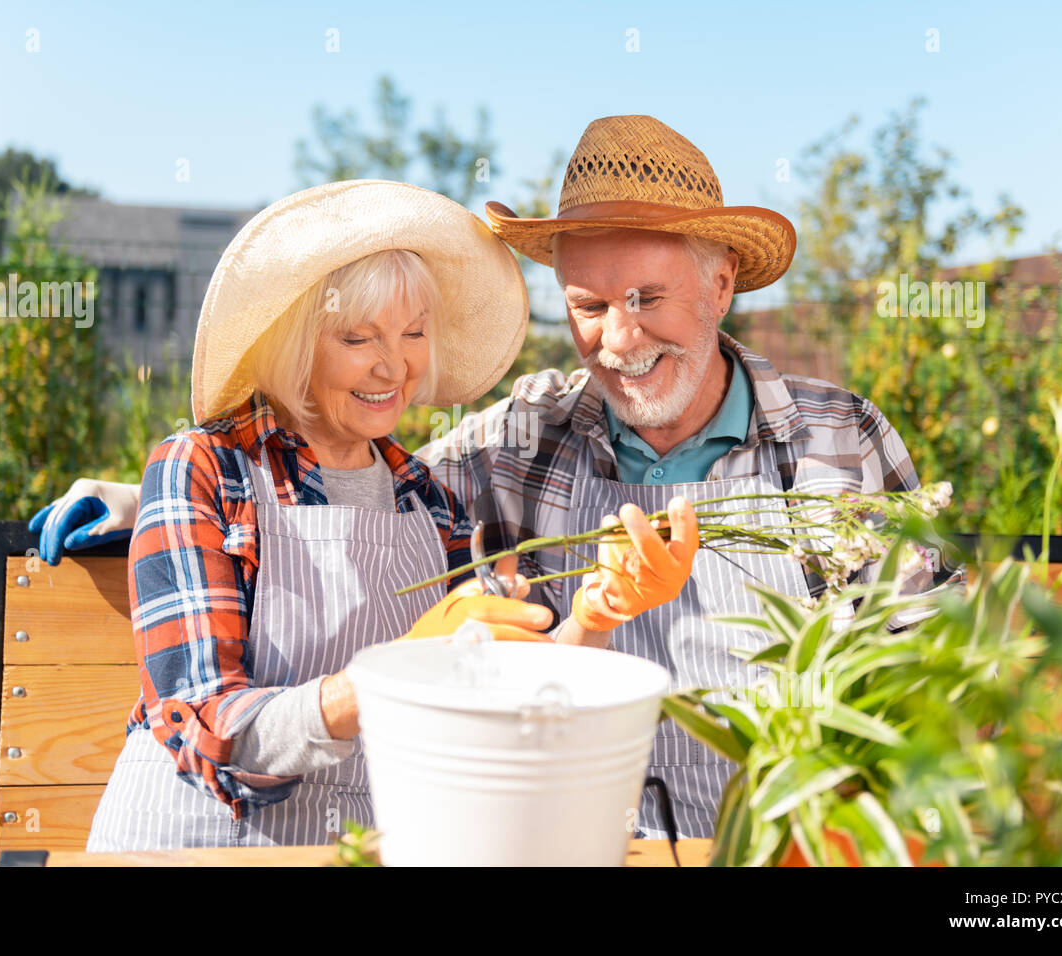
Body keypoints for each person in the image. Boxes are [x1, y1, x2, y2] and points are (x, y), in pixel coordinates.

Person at [37, 117, 962, 841]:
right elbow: (315, 480)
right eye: (591, 306)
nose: (621, 338)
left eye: (648, 299)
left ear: (722, 286)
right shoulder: (524, 441)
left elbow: (933, 673)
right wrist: (141, 502)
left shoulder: (839, 439)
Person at [76, 180, 692, 851]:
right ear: (295, 342)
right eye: (356, 337)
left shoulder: (430, 500)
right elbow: (207, 729)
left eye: (414, 332)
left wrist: (594, 618)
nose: (392, 364)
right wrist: (397, 669)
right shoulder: (206, 468)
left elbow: (500, 710)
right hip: (192, 846)